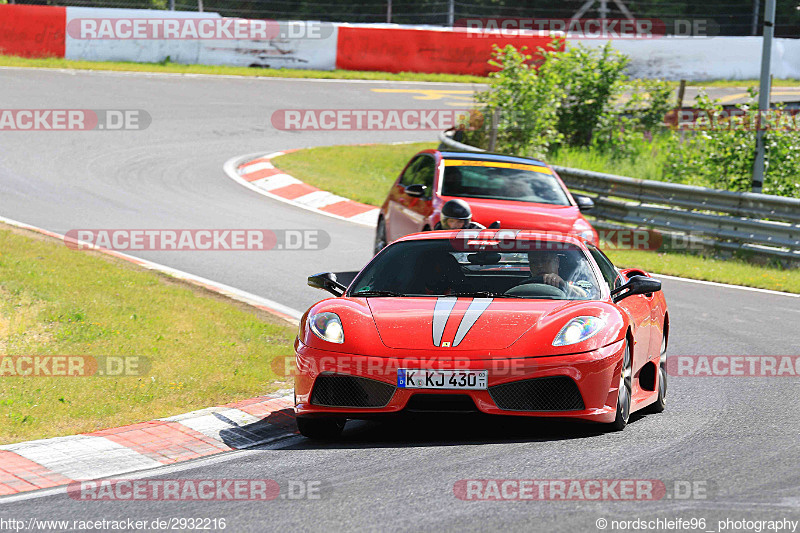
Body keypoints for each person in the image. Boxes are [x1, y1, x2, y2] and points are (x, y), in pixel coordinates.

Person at [433, 199, 499, 230]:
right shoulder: (438, 230)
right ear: (445, 221)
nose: (455, 225)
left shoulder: (477, 230)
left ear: (466, 222)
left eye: (460, 221)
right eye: (451, 221)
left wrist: (489, 234)